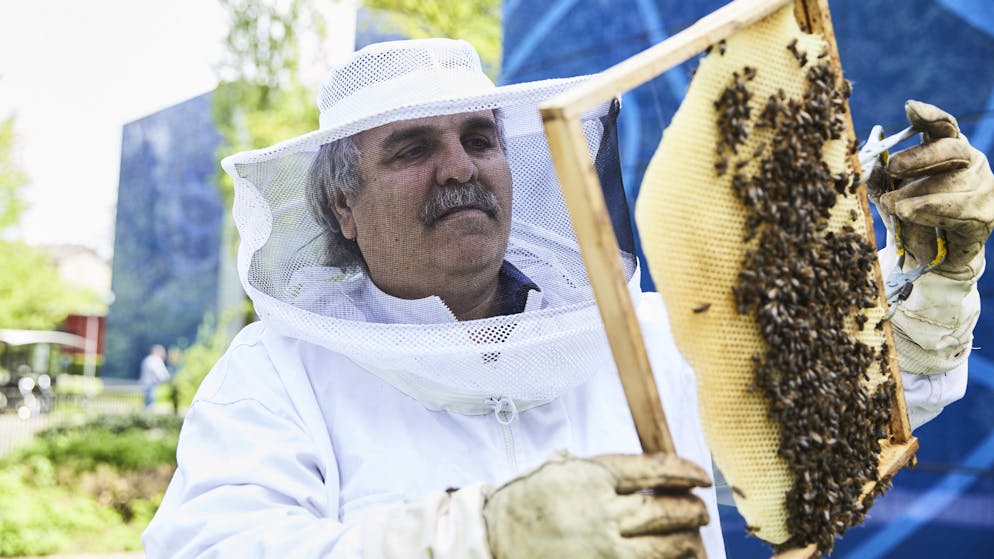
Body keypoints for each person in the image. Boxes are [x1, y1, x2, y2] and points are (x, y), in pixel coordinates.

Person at [143, 38, 993, 558]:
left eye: (480, 137)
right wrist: (483, 539)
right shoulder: (279, 375)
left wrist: (938, 282)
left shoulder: (640, 332)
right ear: (342, 206)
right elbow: (213, 549)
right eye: (411, 148)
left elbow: (838, 421)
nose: (461, 167)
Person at [139, 344, 170, 411]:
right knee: (150, 404)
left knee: (147, 404)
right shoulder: (156, 360)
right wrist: (167, 380)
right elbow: (161, 374)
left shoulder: (147, 359)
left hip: (146, 384)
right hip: (151, 385)